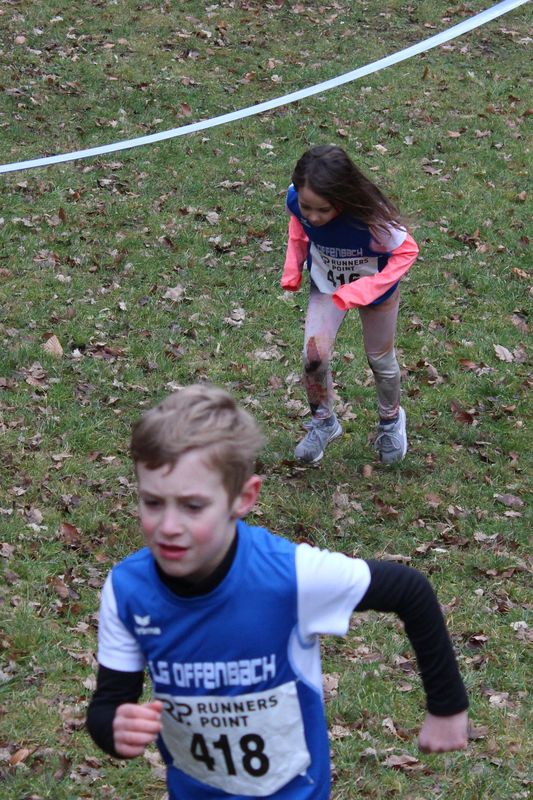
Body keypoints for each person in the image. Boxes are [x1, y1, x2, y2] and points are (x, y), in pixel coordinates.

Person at [86, 384, 469, 800]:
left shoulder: (290, 575)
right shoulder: (128, 589)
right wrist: (114, 730)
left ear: (243, 498)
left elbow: (409, 590)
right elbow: (109, 704)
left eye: (193, 506)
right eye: (153, 503)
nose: (169, 526)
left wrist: (447, 705)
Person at [281, 144, 419, 464]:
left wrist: (365, 289)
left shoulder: (371, 217)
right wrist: (293, 266)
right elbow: (298, 226)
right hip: (327, 286)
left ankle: (391, 421)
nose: (313, 216)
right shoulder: (296, 200)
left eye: (323, 210)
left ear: (342, 198)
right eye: (307, 207)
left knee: (380, 360)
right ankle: (323, 422)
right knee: (313, 358)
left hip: (376, 292)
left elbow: (407, 252)